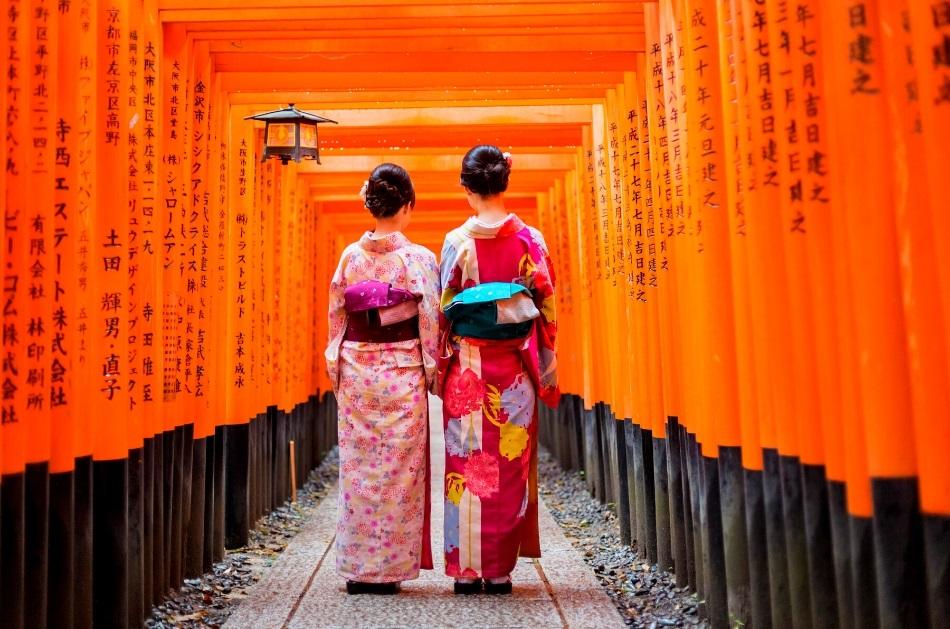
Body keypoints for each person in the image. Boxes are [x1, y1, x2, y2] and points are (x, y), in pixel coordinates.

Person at [438, 145, 559, 595]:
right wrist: (545, 366)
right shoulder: (532, 240)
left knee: (465, 463)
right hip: (513, 373)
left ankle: (466, 570)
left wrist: (440, 365)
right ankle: (500, 570)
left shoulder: (456, 243)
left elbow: (443, 308)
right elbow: (545, 311)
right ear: (505, 182)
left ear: (467, 188)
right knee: (508, 466)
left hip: (468, 369)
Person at [325, 163, 440, 594]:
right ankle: (387, 570)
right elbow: (430, 321)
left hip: (357, 369)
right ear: (408, 206)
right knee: (398, 471)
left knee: (358, 470)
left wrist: (336, 367)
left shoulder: (350, 258)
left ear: (371, 204)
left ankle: (359, 569)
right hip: (402, 371)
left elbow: (337, 318)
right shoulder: (419, 260)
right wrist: (433, 371)